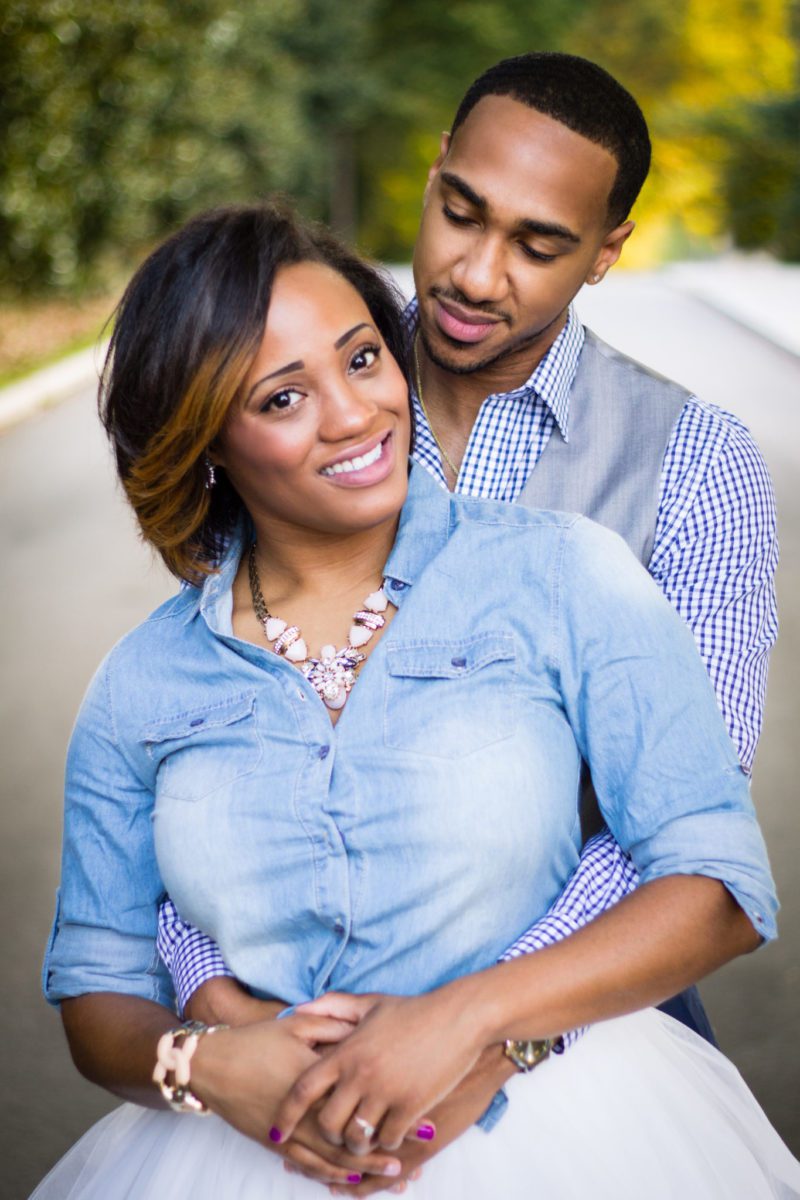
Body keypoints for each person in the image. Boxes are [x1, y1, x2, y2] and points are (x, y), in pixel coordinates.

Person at [35, 201, 800, 1200]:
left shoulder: (563, 574)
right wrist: (208, 1064)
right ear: (205, 439)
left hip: (572, 1136)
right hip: (235, 1158)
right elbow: (97, 987)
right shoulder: (140, 682)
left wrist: (469, 1019)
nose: (354, 415)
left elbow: (717, 885)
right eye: (282, 397)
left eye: (362, 359)